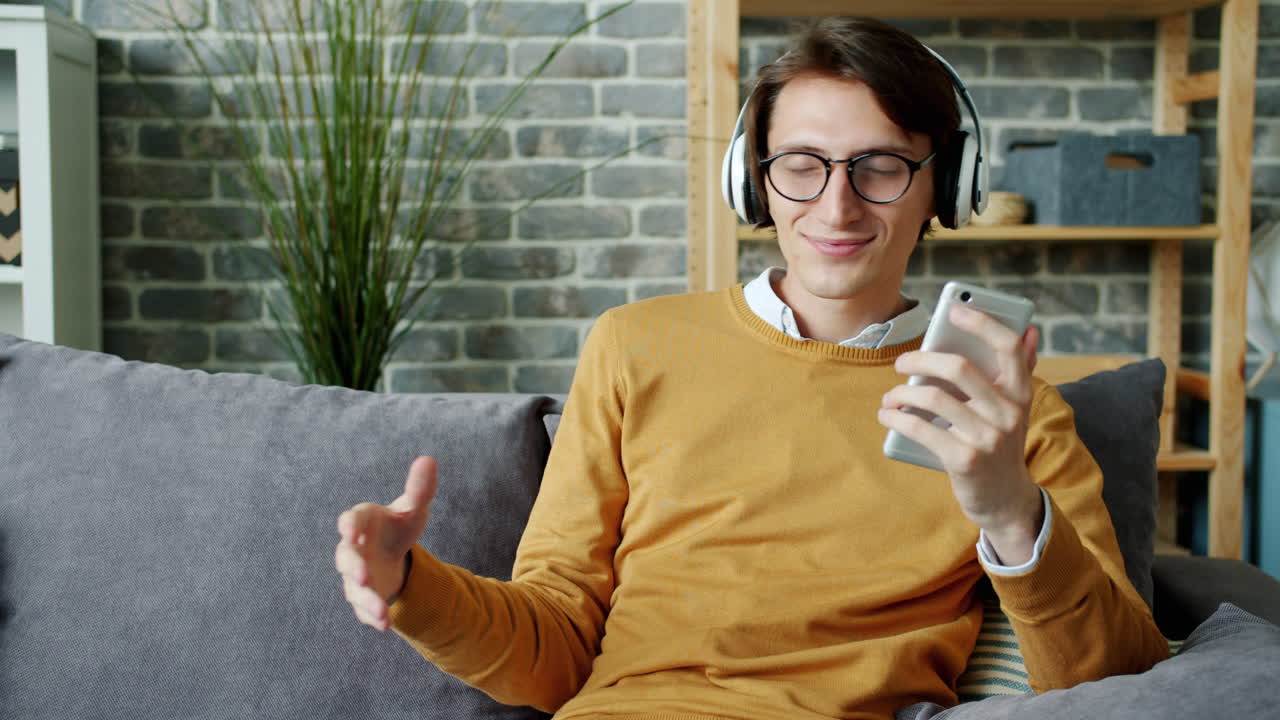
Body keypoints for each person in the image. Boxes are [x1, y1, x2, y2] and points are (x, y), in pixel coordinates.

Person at [333, 17, 1170, 720]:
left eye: (880, 166)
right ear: (754, 182)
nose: (836, 206)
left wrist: (1010, 512)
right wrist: (413, 586)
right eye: (800, 165)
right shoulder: (634, 346)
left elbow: (1117, 680)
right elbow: (554, 649)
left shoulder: (1006, 413)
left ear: (945, 186)